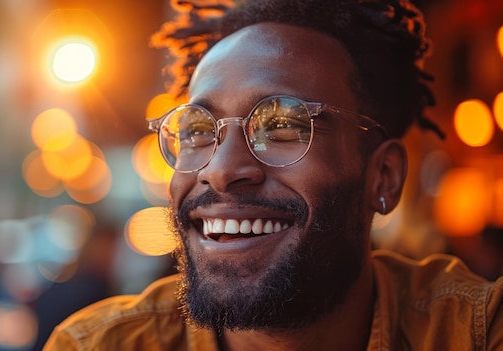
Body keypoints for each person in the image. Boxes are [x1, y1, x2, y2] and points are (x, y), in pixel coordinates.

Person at [43, 0, 503, 350]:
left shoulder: (475, 332)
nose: (221, 171)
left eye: (283, 126)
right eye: (197, 131)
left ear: (383, 176)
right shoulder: (97, 344)